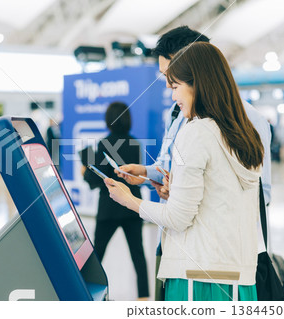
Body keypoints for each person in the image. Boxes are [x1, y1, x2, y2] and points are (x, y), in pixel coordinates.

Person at [117, 26, 272, 300]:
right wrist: (173, 186)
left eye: (173, 83)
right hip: (234, 270)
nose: (170, 92)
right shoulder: (242, 130)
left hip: (197, 272)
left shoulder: (198, 129)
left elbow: (180, 216)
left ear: (195, 75)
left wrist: (129, 200)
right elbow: (221, 185)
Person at [82, 102, 149, 300]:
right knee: (138, 254)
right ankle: (144, 297)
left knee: (97, 253)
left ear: (108, 120)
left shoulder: (103, 144)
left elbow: (96, 179)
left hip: (109, 207)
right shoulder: (136, 143)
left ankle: (85, 291)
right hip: (132, 205)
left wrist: (85, 171)